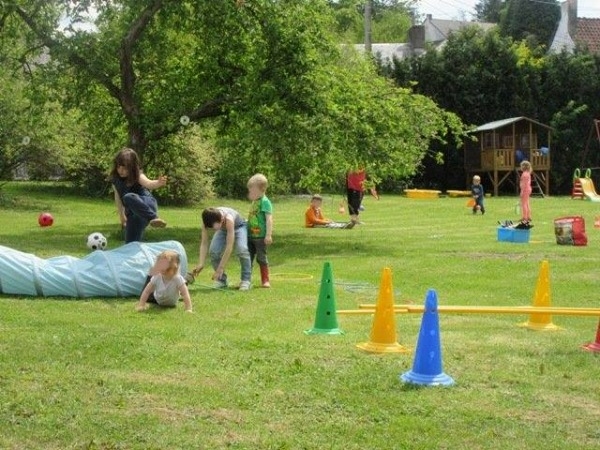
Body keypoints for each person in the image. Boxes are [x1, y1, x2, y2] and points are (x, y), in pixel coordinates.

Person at [110, 147, 167, 243]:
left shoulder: (138, 176)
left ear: (132, 167)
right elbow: (118, 198)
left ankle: (154, 218)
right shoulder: (116, 180)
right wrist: (122, 216)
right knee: (130, 245)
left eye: (124, 168)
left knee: (128, 197)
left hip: (147, 204)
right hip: (134, 214)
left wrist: (158, 183)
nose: (121, 170)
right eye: (119, 166)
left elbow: (149, 184)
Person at [193, 207, 252, 290]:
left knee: (242, 249)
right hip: (223, 230)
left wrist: (220, 268)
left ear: (221, 219)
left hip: (239, 227)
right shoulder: (206, 221)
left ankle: (246, 280)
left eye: (215, 227)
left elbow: (229, 246)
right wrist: (201, 263)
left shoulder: (229, 218)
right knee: (213, 251)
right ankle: (221, 281)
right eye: (212, 228)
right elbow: (204, 243)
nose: (214, 229)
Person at [247, 174, 273, 288]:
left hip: (261, 236)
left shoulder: (265, 201)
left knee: (261, 258)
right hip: (250, 235)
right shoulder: (254, 202)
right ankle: (246, 280)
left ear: (259, 189)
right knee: (248, 258)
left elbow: (269, 219)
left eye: (251, 189)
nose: (249, 192)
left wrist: (268, 235)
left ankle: (265, 280)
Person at [519, 160, 532, 224]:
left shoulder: (524, 174)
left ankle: (525, 217)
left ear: (523, 167)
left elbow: (524, 184)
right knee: (527, 203)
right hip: (528, 189)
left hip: (525, 190)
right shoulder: (527, 173)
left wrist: (522, 192)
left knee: (523, 204)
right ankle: (528, 216)